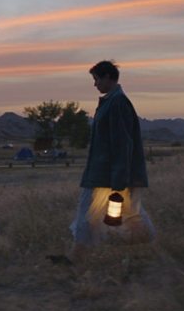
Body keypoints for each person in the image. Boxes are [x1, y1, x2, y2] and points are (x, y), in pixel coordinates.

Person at [65, 60, 155, 263]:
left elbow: (122, 143)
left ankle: (77, 256)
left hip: (107, 174)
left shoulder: (118, 103)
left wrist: (119, 179)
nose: (95, 84)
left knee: (89, 212)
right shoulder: (111, 102)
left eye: (96, 79)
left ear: (107, 77)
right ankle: (79, 253)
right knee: (125, 212)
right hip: (102, 171)